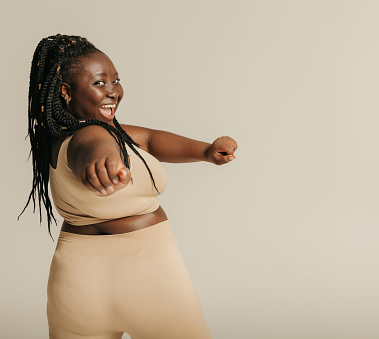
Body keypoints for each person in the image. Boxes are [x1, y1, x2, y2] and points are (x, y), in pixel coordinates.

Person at [19, 34, 237, 339]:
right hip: (148, 275)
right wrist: (104, 164)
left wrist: (206, 151)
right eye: (100, 83)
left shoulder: (64, 138)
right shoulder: (92, 136)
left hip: (76, 283)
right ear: (66, 92)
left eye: (115, 80)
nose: (113, 91)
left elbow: (148, 138)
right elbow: (96, 147)